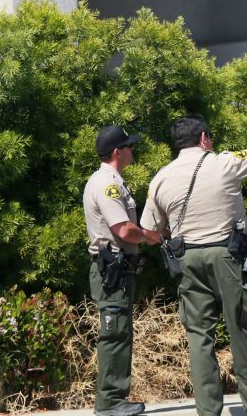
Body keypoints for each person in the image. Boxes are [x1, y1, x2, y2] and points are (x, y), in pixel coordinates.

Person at [140, 112, 247, 416]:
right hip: (226, 257)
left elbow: (150, 231)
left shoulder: (161, 178)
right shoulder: (223, 162)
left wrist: (173, 235)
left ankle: (208, 412)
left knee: (199, 338)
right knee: (242, 331)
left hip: (187, 261)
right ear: (204, 138)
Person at [83, 125, 163, 416]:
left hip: (117, 270)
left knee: (119, 333)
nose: (133, 149)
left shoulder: (111, 180)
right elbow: (124, 230)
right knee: (114, 334)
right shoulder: (108, 184)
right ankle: (109, 402)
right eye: (128, 146)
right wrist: (151, 236)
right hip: (113, 270)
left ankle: (114, 399)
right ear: (118, 152)